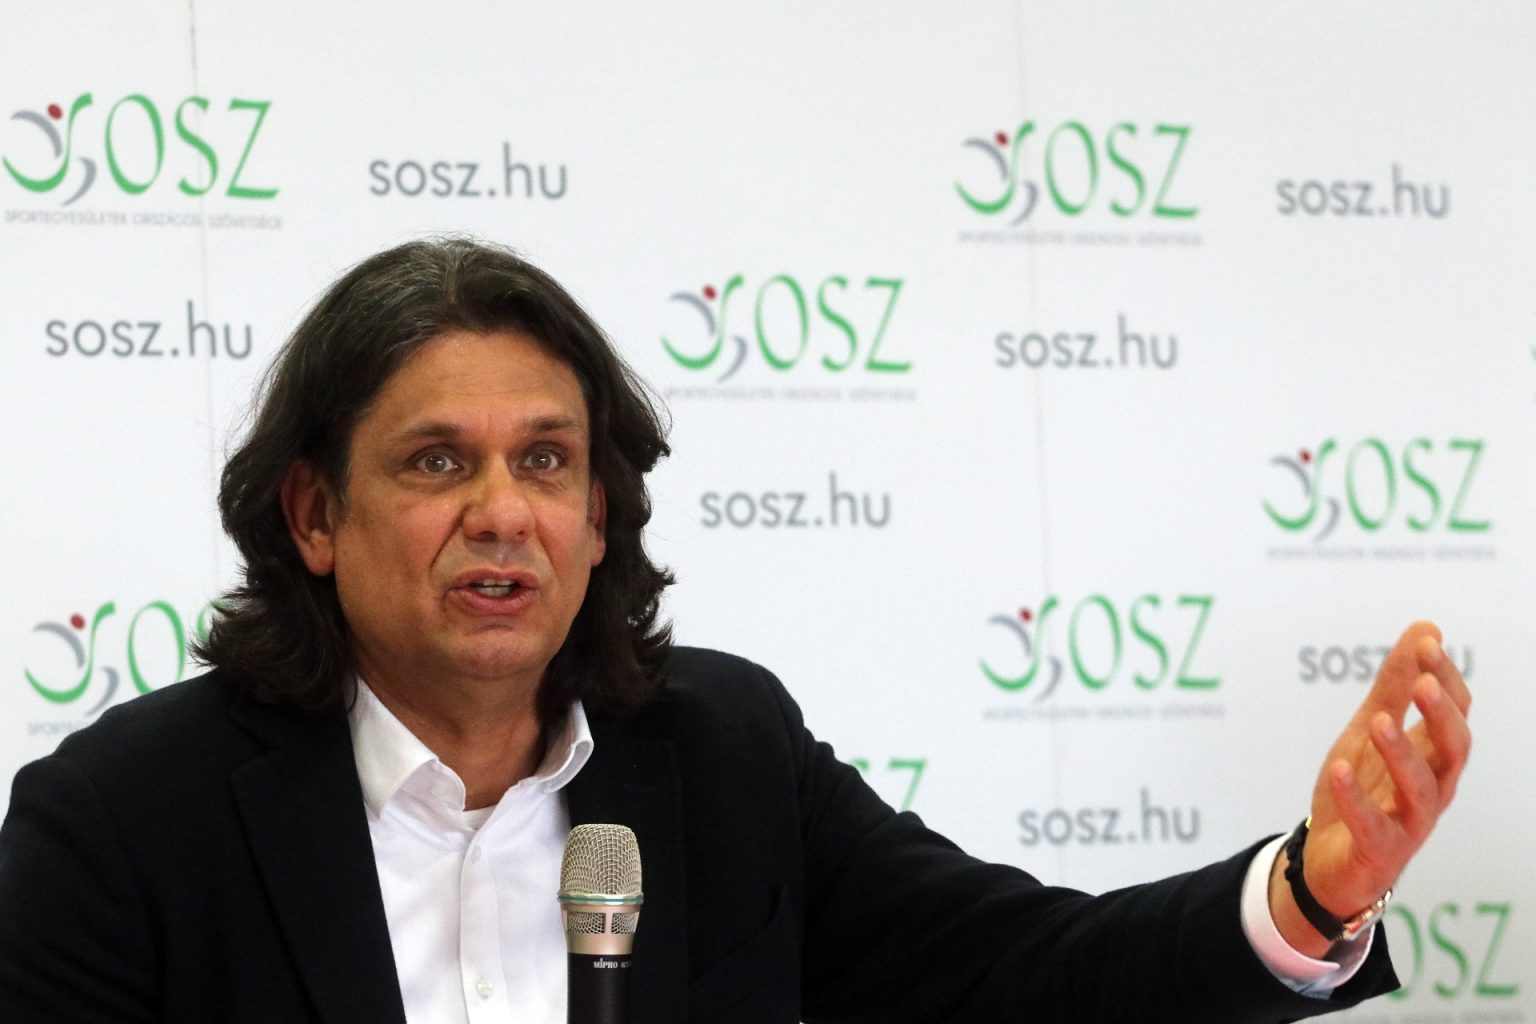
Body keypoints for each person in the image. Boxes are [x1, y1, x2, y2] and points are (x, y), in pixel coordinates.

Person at [0, 237, 1472, 1023]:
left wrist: (1308, 897)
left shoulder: (718, 756)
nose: (503, 513)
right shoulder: (124, 822)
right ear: (315, 515)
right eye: (438, 462)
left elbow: (1017, 974)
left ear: (598, 518)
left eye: (547, 461)